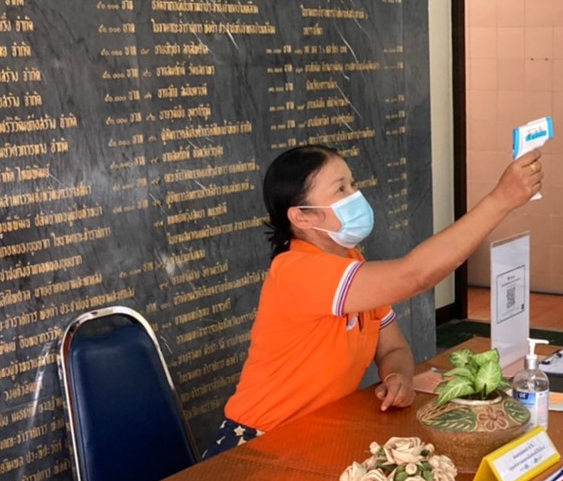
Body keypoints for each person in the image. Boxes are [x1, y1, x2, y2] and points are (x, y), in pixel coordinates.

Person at [206, 144, 544, 455]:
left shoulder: (352, 263)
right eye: (340, 189)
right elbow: (415, 275)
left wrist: (398, 377)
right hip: (261, 443)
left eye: (352, 184)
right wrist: (500, 200)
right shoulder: (296, 270)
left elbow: (393, 349)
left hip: (318, 437)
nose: (355, 195)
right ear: (302, 217)